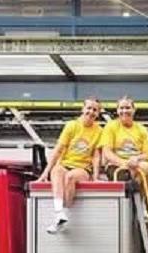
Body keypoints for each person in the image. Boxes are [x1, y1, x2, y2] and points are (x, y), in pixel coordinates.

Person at [39, 97, 103, 234]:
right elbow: (58, 150)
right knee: (56, 171)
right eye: (89, 108)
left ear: (98, 113)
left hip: (83, 168)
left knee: (70, 177)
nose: (91, 112)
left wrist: (96, 176)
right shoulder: (71, 125)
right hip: (66, 164)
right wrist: (45, 173)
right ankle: (59, 214)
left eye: (95, 110)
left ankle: (64, 213)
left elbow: (96, 156)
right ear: (83, 109)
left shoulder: (99, 131)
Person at [101, 96, 148, 226]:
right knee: (146, 168)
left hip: (139, 167)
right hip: (118, 167)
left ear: (134, 110)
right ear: (117, 110)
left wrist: (136, 159)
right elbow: (107, 153)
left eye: (127, 108)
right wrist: (125, 163)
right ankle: (140, 204)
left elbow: (147, 154)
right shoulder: (111, 127)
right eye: (121, 108)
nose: (124, 111)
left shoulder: (142, 129)